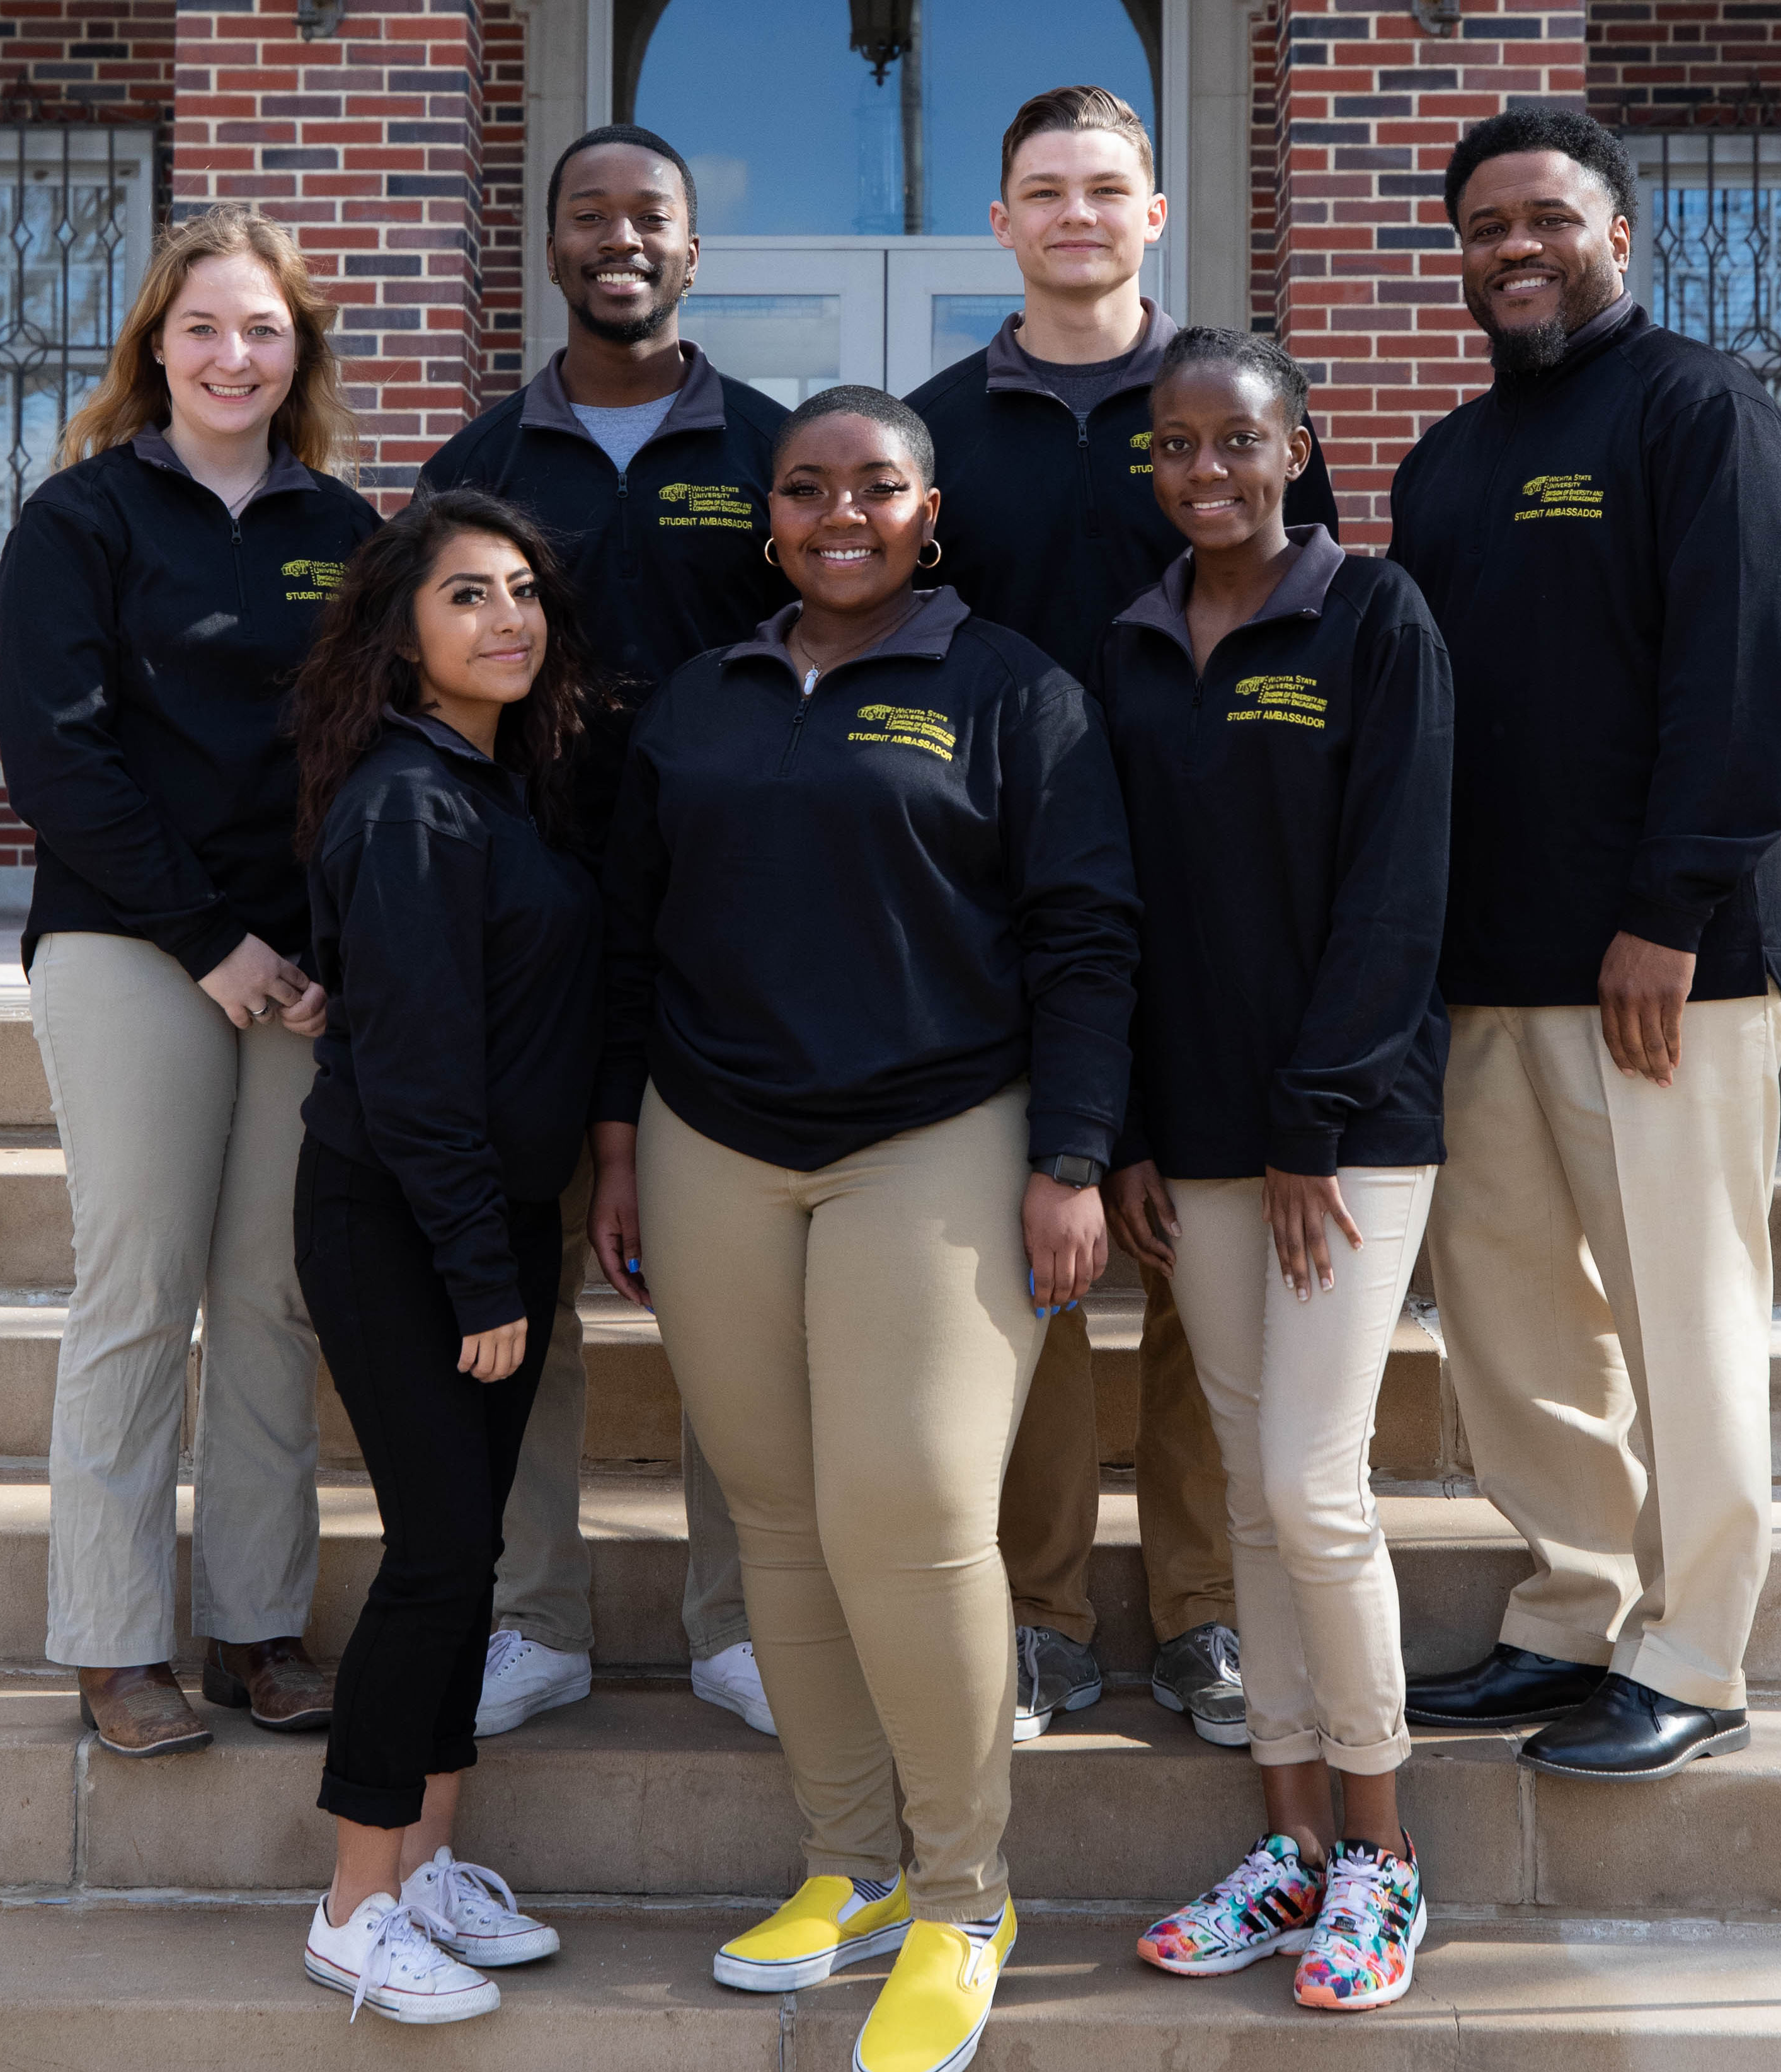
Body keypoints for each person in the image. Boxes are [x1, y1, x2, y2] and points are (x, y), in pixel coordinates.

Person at [590, 386, 1139, 2072]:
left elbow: (1086, 933)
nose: (843, 512)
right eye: (808, 488)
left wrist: (1073, 1158)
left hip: (938, 1131)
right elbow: (631, 934)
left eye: (877, 487)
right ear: (768, 521)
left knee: (904, 1509)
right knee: (774, 1514)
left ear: (930, 512)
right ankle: (849, 1866)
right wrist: (618, 1140)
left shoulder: (1011, 688)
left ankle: (966, 1893)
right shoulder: (702, 696)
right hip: (714, 1139)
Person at [905, 85, 1342, 1746]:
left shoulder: (1236, 407)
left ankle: (1208, 1613)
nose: (1075, 213)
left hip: (1219, 883)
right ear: (1000, 224)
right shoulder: (942, 426)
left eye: (1106, 188)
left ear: (1157, 215)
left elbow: (1318, 630)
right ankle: (1036, 1612)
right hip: (1010, 898)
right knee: (1042, 1255)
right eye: (1042, 191)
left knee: (1202, 1258)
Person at [1389, 109, 1781, 1780]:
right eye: (1484, 228)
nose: (1514, 250)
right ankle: (1575, 1611)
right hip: (1477, 973)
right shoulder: (1444, 465)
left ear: (1619, 234)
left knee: (1683, 1319)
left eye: (1546, 219)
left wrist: (1669, 915)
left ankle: (1695, 1657)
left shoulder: (1699, 408)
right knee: (1511, 1326)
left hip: (1660, 976)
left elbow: (1740, 675)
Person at [415, 122, 787, 1741]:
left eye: (651, 217)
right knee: (521, 1287)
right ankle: (531, 1617)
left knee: (721, 1299)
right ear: (550, 246)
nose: (619, 238)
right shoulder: (476, 466)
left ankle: (742, 1620)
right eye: (590, 215)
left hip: (732, 943)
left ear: (693, 252)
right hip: (525, 931)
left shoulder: (774, 450)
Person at [0, 204, 381, 1758]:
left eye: (265, 330)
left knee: (273, 1298)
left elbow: (371, 758)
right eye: (206, 327)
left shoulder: (348, 534)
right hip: (127, 937)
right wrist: (203, 939)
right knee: (141, 1286)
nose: (235, 355)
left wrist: (333, 952)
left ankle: (257, 1628)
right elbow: (59, 760)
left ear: (301, 353)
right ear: (156, 343)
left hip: (296, 962)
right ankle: (111, 1641)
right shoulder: (81, 522)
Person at [1096, 327, 1451, 2012]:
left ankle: (1382, 1862)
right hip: (1204, 1144)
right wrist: (1144, 1133)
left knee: (1315, 1483)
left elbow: (1396, 884)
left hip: (1346, 1140)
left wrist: (1315, 1118)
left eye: (1238, 443)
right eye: (1176, 448)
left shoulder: (1375, 617)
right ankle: (1289, 1845)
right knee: (1246, 1493)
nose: (1207, 473)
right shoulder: (1134, 644)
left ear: (1298, 451)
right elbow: (1131, 915)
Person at [285, 488, 600, 2026]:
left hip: (480, 1224)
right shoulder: (408, 804)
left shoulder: (484, 786)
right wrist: (483, 1275)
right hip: (402, 1229)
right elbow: (412, 1076)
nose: (508, 618)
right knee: (429, 1560)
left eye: (524, 590)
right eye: (469, 595)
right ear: (403, 636)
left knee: (466, 1554)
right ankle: (353, 1906)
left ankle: (424, 1868)